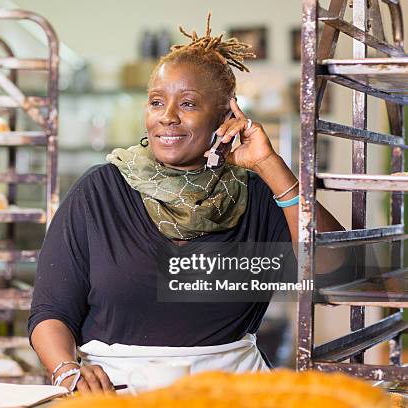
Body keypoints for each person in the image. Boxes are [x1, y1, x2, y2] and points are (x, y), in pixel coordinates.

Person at [28, 15, 346, 394]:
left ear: (226, 114)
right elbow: (50, 313)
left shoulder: (259, 195)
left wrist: (270, 165)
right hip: (118, 395)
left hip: (232, 395)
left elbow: (337, 276)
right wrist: (66, 369)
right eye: (157, 102)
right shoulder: (99, 193)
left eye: (189, 103)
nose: (167, 116)